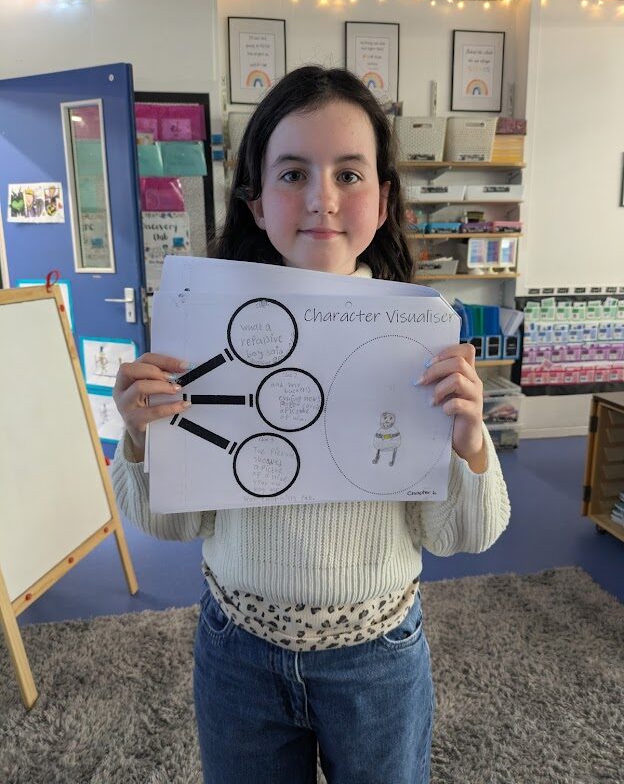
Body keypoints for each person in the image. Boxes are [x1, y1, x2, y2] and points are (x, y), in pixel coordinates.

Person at [112, 65, 511, 784]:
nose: (322, 199)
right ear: (256, 202)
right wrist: (142, 438)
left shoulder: (420, 340)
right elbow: (172, 525)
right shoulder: (203, 339)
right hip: (239, 649)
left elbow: (464, 535)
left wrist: (469, 442)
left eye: (349, 175)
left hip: (377, 654)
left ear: (383, 201)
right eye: (292, 173)